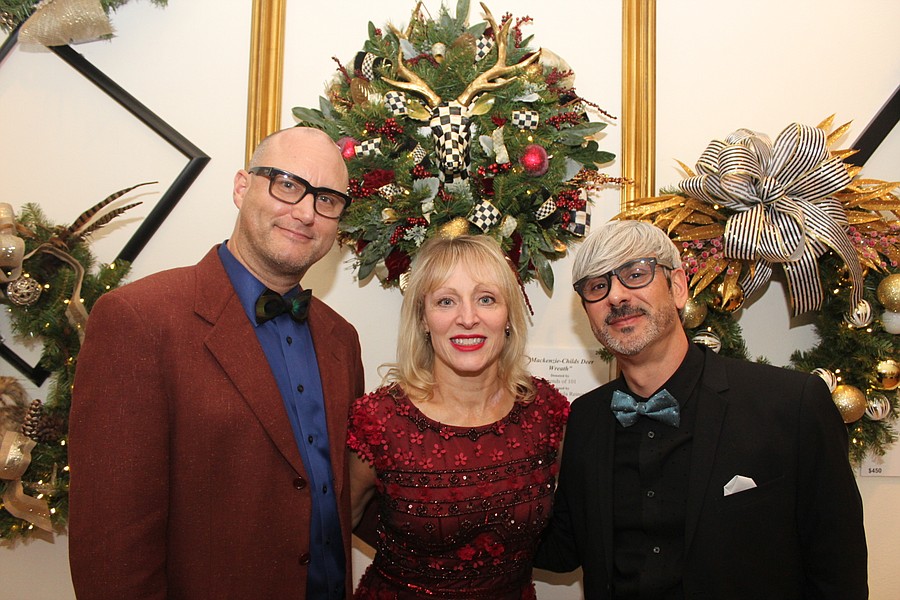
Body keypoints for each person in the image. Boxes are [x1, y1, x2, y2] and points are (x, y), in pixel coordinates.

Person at [68, 127, 365, 599]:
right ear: (242, 187)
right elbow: (112, 547)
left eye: (327, 199)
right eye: (288, 184)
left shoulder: (341, 339)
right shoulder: (138, 319)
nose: (306, 212)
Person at [534, 219, 868, 599]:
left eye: (636, 274)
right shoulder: (586, 418)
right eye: (597, 286)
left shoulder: (792, 404)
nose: (616, 296)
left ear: (677, 286)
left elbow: (839, 573)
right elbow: (563, 548)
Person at [347, 235, 569, 599]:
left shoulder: (544, 411)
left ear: (509, 315)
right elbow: (340, 526)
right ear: (423, 319)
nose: (468, 318)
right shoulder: (380, 421)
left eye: (486, 299)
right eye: (446, 301)